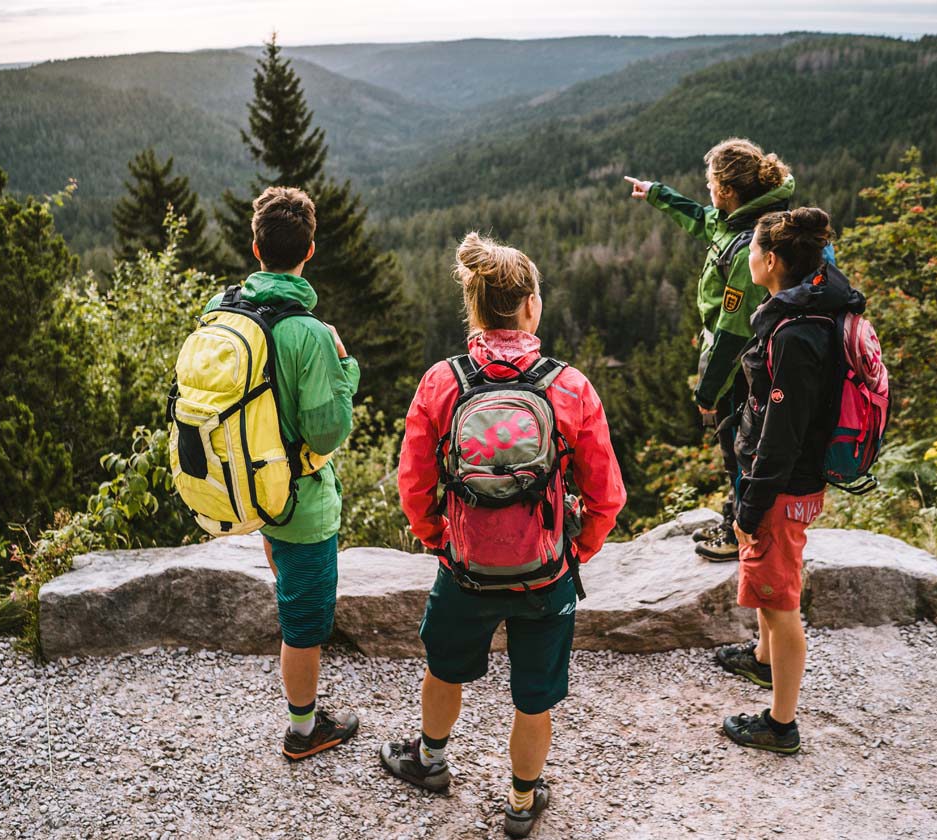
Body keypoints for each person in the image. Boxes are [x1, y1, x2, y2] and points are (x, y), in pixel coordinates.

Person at [380, 233, 626, 838]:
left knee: (444, 667)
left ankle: (431, 760)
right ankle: (520, 804)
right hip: (545, 575)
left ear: (473, 308)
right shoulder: (569, 387)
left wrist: (439, 539)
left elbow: (412, 481)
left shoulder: (443, 381)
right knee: (534, 694)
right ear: (532, 306)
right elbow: (607, 495)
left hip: (464, 568)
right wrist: (574, 553)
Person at [203, 186, 361, 760]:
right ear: (310, 251)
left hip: (253, 485)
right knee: (303, 622)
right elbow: (326, 432)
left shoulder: (225, 312)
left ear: (255, 246)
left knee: (290, 591)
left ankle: (304, 706)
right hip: (301, 504)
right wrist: (345, 368)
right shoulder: (309, 334)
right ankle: (302, 730)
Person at [625, 139, 830, 562]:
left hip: (744, 364)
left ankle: (741, 528)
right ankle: (738, 514)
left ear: (728, 190)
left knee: (738, 443)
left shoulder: (748, 245)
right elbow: (702, 221)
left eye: (710, 184)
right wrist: (657, 194)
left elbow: (733, 333)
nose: (708, 193)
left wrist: (708, 391)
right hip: (741, 350)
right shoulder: (739, 220)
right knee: (739, 442)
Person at [718, 207, 862, 754]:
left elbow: (783, 433)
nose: (749, 258)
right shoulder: (808, 309)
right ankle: (761, 660)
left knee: (782, 603)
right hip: (779, 478)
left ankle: (781, 725)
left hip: (781, 485)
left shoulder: (796, 333)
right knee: (771, 583)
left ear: (772, 260)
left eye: (753, 250)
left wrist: (750, 509)